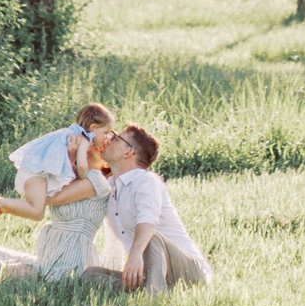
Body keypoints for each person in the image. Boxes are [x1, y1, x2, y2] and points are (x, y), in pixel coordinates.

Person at [0, 124, 120, 282]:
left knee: (24, 273)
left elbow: (49, 198)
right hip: (51, 255)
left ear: (106, 164)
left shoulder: (97, 180)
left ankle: (29, 275)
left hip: (71, 261)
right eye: (95, 141)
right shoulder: (73, 176)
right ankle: (27, 272)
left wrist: (11, 202)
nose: (93, 144)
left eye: (102, 147)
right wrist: (69, 154)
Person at [78, 124, 211, 294]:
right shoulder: (111, 189)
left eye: (117, 138)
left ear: (128, 152)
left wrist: (134, 256)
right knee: (91, 275)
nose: (109, 139)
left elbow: (148, 220)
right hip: (149, 270)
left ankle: (152, 301)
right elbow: (114, 242)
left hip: (188, 272)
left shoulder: (147, 181)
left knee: (152, 238)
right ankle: (144, 290)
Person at [0, 101, 114, 225]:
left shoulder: (71, 133)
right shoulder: (84, 138)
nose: (106, 137)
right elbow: (81, 165)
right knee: (37, 212)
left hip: (34, 170)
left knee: (37, 211)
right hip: (37, 172)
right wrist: (84, 175)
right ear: (93, 128)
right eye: (106, 132)